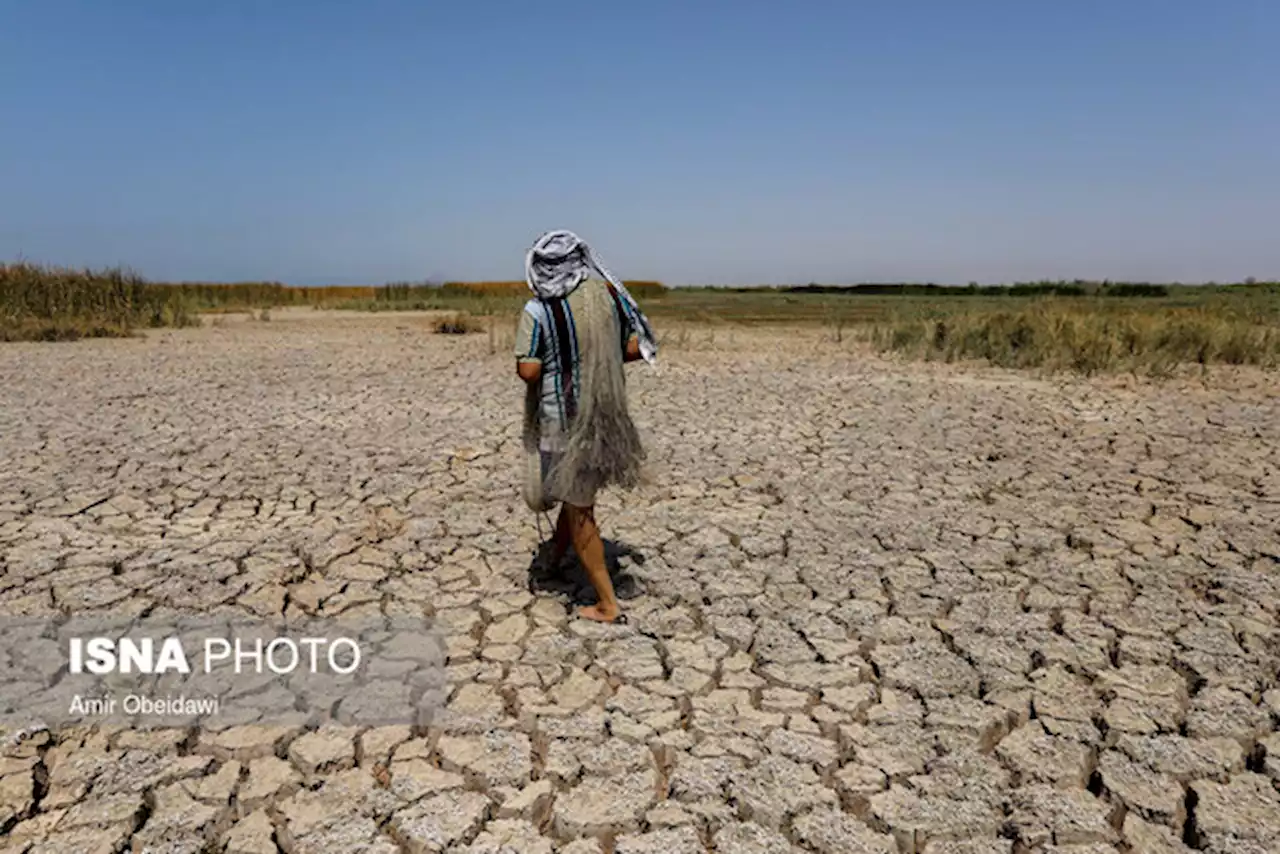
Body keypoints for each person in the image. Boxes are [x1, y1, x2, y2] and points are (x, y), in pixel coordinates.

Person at [514, 230, 658, 623]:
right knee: (576, 491)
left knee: (580, 508)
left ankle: (607, 603)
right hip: (603, 417)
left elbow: (528, 370)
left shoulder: (538, 311)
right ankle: (556, 559)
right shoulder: (606, 298)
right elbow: (633, 347)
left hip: (561, 422)